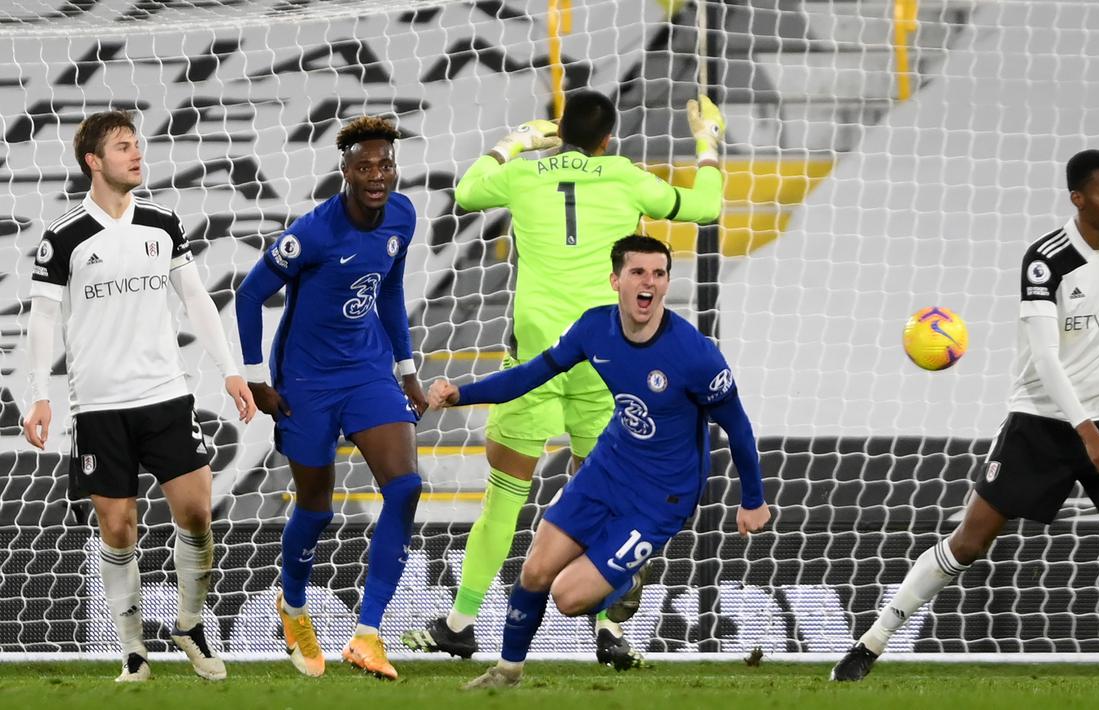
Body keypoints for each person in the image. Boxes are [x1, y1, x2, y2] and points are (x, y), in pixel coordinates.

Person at [832, 150, 1099, 683]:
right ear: (1078, 198)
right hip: (1041, 417)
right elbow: (1044, 359)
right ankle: (870, 642)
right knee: (969, 543)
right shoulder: (1046, 259)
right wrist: (1085, 433)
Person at [402, 90, 728, 668]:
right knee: (602, 494)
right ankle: (607, 630)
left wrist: (516, 143)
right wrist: (707, 143)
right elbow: (705, 207)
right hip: (606, 360)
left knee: (505, 492)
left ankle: (461, 623)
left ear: (561, 130)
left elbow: (467, 189)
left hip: (535, 359)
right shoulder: (627, 177)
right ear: (609, 137)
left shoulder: (525, 175)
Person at [424, 236, 770, 688]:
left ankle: (624, 583)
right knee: (534, 571)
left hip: (661, 497)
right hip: (608, 468)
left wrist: (753, 499)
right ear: (616, 280)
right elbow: (531, 375)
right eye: (638, 273)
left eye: (659, 274)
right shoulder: (594, 329)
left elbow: (738, 428)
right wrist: (461, 395)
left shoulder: (695, 354)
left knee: (568, 598)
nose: (650, 283)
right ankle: (507, 673)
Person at [22, 110, 255, 682]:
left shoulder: (162, 223)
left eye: (138, 145)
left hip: (165, 396)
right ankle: (133, 650)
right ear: (93, 162)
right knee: (119, 527)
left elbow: (197, 299)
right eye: (123, 146)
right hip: (99, 406)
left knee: (197, 513)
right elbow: (42, 320)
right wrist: (38, 396)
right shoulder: (64, 237)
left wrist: (230, 370)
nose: (137, 154)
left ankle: (192, 625)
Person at [234, 115, 427, 681]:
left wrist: (406, 368)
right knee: (316, 508)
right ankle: (292, 608)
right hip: (308, 383)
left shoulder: (403, 216)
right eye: (364, 166)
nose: (377, 176)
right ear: (344, 171)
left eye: (385, 165)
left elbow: (388, 288)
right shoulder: (313, 233)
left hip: (367, 372)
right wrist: (254, 379)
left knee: (407, 486)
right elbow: (249, 296)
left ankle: (367, 636)